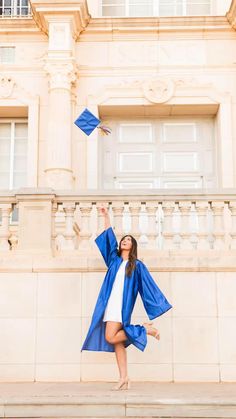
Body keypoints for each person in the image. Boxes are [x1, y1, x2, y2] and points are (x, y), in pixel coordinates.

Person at [81, 205, 172, 390]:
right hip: (109, 303)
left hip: (120, 307)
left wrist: (157, 305)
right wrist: (105, 216)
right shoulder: (113, 261)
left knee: (110, 337)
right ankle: (124, 377)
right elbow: (108, 236)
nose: (125, 241)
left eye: (129, 240)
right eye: (124, 239)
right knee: (118, 342)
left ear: (133, 246)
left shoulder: (137, 265)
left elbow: (148, 286)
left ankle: (144, 330)